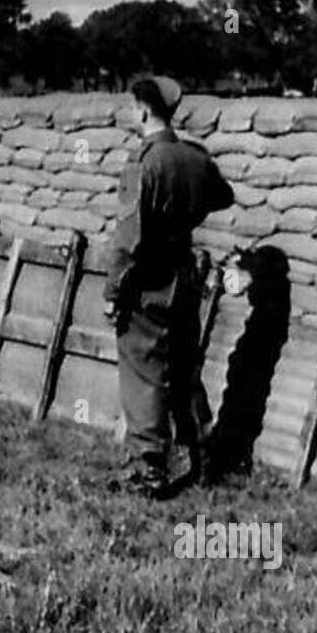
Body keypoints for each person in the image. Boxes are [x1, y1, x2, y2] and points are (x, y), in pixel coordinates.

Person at [103, 75, 234, 497]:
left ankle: (150, 470)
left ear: (141, 110)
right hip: (185, 276)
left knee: (143, 372)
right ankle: (204, 453)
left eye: (132, 107)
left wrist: (112, 292)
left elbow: (129, 239)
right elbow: (223, 196)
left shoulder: (144, 162)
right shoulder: (195, 157)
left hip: (149, 282)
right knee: (183, 368)